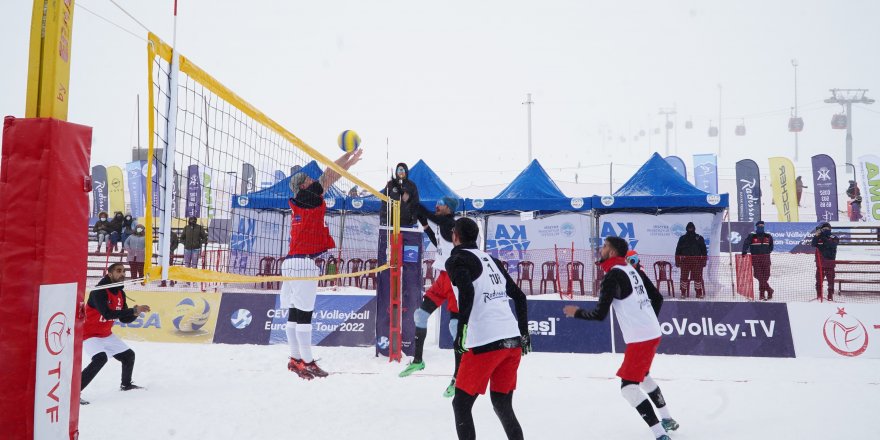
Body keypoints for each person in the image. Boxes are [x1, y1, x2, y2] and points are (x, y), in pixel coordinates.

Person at [563, 236, 678, 440]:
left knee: (628, 388)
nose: (601, 249)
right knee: (643, 377)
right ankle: (667, 419)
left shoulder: (613, 276)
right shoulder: (631, 268)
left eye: (605, 246)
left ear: (613, 252)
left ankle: (660, 434)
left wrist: (577, 312)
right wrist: (647, 320)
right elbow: (657, 298)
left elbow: (599, 314)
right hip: (651, 332)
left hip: (641, 338)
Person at [446, 217, 530, 440]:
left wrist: (462, 328)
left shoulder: (457, 259)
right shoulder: (491, 260)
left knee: (461, 405)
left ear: (455, 236)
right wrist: (524, 333)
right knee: (502, 404)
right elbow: (520, 297)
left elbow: (467, 291)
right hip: (512, 341)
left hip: (486, 343)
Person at [283, 150, 363, 380]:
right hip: (303, 263)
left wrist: (348, 161)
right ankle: (307, 362)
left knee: (294, 314)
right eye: (308, 179)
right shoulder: (306, 197)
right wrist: (347, 160)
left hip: (291, 262)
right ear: (302, 185)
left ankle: (295, 359)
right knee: (304, 316)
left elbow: (328, 177)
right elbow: (330, 175)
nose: (312, 180)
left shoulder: (301, 201)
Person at [399, 196, 461, 398]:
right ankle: (418, 361)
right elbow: (439, 243)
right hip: (442, 278)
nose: (437, 205)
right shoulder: (443, 226)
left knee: (454, 329)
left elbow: (423, 210)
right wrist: (424, 225)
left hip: (454, 281)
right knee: (421, 316)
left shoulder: (449, 222)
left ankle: (458, 377)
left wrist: (409, 200)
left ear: (449, 209)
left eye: (441, 203)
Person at [80, 262, 151, 404]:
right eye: (119, 271)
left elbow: (124, 319)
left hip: (106, 334)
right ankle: (74, 392)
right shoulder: (99, 291)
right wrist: (132, 310)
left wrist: (136, 313)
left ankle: (126, 385)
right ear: (110, 274)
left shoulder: (120, 293)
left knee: (129, 356)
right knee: (100, 359)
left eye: (124, 271)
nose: (123, 274)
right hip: (89, 334)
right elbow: (107, 314)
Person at [742, 220, 774, 301]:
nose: (761, 227)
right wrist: (744, 251)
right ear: (756, 226)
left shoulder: (768, 236)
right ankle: (769, 290)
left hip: (766, 259)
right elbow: (746, 244)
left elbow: (771, 246)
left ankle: (762, 295)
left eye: (762, 226)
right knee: (758, 275)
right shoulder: (752, 236)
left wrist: (767, 252)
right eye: (759, 225)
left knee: (766, 276)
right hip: (755, 259)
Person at [674, 222, 708, 298]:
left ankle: (699, 293)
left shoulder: (699, 238)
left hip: (696, 261)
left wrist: (704, 261)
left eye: (691, 228)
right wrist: (677, 261)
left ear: (694, 228)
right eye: (689, 228)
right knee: (684, 277)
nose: (690, 229)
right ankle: (683, 293)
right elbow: (677, 251)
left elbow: (704, 251)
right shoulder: (682, 238)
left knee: (697, 277)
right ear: (686, 229)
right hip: (685, 261)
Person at [380, 162, 420, 227]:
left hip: (407, 223)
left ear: (406, 171)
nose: (401, 172)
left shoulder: (412, 185)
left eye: (403, 170)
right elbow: (384, 203)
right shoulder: (390, 184)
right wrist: (384, 220)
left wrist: (414, 219)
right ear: (396, 172)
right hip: (391, 223)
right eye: (399, 170)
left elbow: (415, 203)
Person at [811, 222, 839, 301]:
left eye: (827, 229)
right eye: (824, 229)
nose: (825, 230)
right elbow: (813, 244)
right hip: (819, 264)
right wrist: (816, 236)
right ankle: (819, 295)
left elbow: (832, 245)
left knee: (830, 281)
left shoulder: (834, 237)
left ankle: (830, 295)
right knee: (819, 281)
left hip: (830, 264)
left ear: (830, 229)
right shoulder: (818, 237)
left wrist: (824, 238)